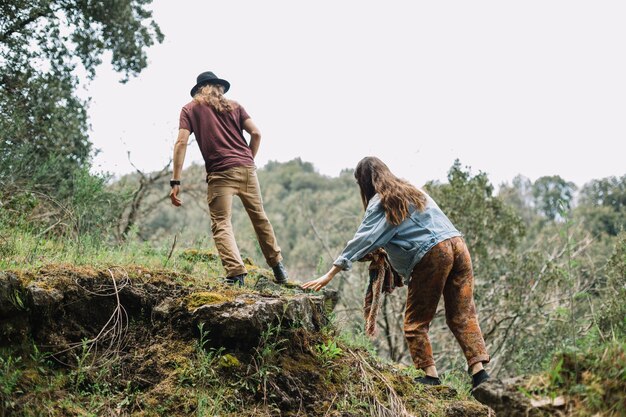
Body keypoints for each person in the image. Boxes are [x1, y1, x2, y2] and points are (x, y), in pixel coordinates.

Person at [302, 156, 490, 389]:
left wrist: (331, 272)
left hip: (433, 254)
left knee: (415, 322)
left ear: (364, 182)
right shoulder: (412, 190)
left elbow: (365, 238)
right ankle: (479, 374)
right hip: (458, 246)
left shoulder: (382, 200)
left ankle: (430, 376)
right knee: (462, 315)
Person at [169, 71, 288, 286]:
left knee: (222, 222)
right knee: (260, 217)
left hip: (220, 173)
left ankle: (236, 274)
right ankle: (278, 267)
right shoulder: (235, 106)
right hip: (247, 169)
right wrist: (247, 160)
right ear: (219, 88)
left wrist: (176, 181)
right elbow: (257, 134)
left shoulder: (190, 109)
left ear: (199, 90)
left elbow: (181, 143)